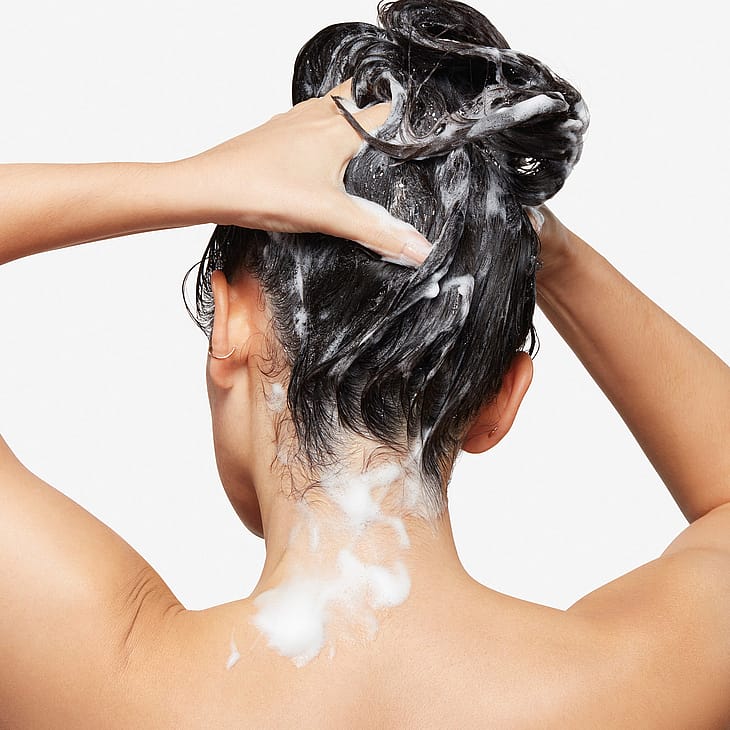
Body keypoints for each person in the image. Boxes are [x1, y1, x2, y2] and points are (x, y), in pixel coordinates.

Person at [1, 1, 729, 728]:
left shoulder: (110, 680)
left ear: (230, 324)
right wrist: (533, 241)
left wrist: (197, 179)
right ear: (501, 399)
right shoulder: (632, 687)